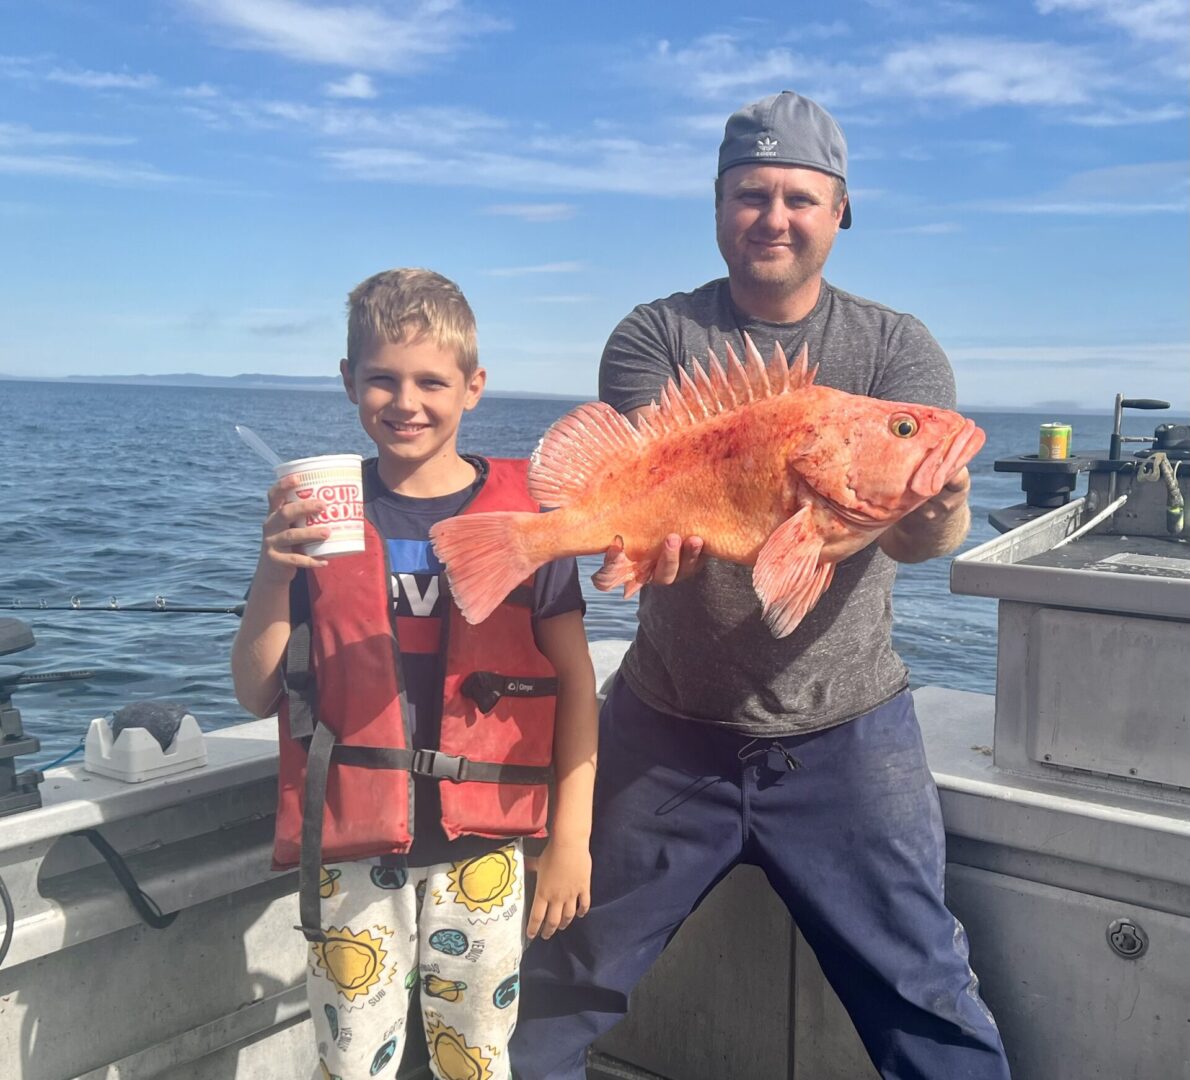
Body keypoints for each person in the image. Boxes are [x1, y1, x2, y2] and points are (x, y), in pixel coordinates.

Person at [510, 92, 1011, 1079]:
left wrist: (938, 497)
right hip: (665, 728)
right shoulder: (655, 335)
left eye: (797, 197)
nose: (772, 216)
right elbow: (642, 495)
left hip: (847, 737)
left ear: (838, 212)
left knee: (929, 1006)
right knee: (560, 981)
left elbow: (917, 543)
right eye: (750, 194)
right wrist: (645, 543)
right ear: (716, 207)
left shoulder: (893, 352)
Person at [230, 268, 598, 1080]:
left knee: (478, 1058)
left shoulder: (524, 522)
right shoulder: (314, 515)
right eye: (382, 380)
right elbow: (255, 690)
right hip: (353, 853)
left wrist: (568, 838)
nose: (407, 402)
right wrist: (269, 572)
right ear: (348, 383)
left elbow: (576, 685)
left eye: (432, 381)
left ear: (474, 387)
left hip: (487, 848)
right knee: (352, 1058)